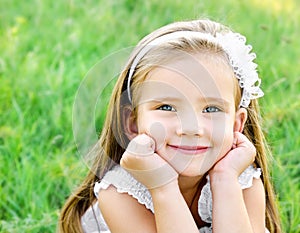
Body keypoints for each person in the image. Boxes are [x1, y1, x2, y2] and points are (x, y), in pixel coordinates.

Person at [59, 19, 282, 233]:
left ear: (236, 124)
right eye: (166, 107)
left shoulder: (242, 181)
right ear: (133, 123)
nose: (191, 128)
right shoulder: (120, 193)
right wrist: (162, 185)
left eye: (212, 109)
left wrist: (224, 180)